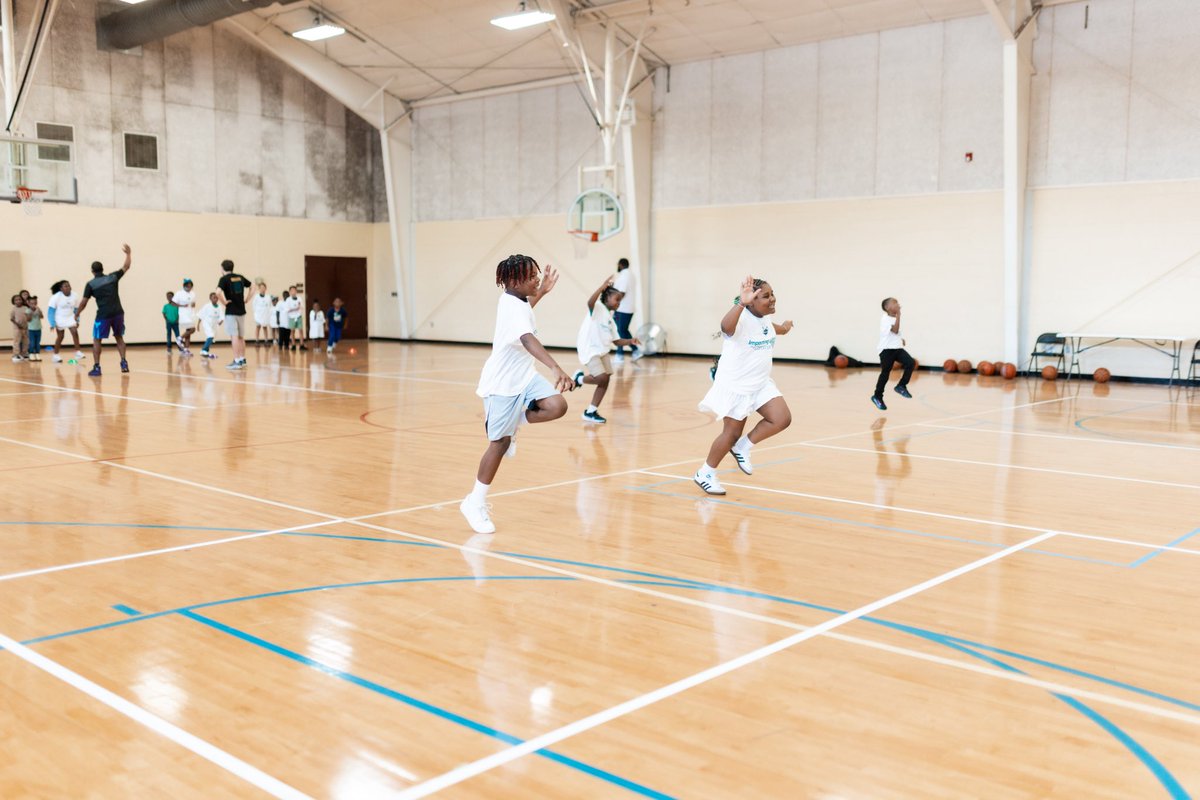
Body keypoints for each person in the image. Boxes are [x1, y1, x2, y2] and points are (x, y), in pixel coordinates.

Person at [460, 255, 574, 534]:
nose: (537, 278)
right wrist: (555, 367)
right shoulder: (511, 306)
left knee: (556, 405)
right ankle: (474, 502)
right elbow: (526, 337)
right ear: (513, 281)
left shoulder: (517, 302)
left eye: (537, 274)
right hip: (502, 384)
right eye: (531, 276)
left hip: (524, 377)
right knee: (498, 445)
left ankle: (515, 422)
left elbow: (524, 319)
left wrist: (542, 292)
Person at [693, 275, 793, 496]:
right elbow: (725, 327)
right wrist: (740, 303)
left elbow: (774, 329)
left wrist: (786, 327)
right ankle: (706, 473)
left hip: (760, 383)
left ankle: (743, 447)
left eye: (772, 293)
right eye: (766, 296)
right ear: (752, 302)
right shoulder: (740, 321)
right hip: (737, 386)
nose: (773, 299)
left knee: (782, 418)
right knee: (730, 433)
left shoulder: (764, 319)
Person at [573, 275, 639, 424]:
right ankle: (579, 379)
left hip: (602, 350)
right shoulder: (597, 308)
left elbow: (616, 341)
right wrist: (602, 287)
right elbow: (590, 301)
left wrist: (630, 341)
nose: (618, 304)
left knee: (606, 378)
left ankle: (591, 411)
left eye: (620, 301)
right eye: (617, 300)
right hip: (590, 349)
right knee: (601, 377)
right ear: (607, 298)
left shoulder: (611, 319)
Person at [75, 243, 133, 376]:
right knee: (119, 337)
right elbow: (126, 266)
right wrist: (128, 254)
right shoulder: (112, 277)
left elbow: (84, 302)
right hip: (118, 313)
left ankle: (97, 367)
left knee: (97, 339)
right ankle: (123, 362)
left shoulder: (90, 284)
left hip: (103, 315)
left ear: (92, 271)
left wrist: (77, 314)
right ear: (102, 269)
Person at [872, 297, 914, 411]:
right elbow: (894, 330)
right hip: (886, 350)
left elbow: (895, 333)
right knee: (885, 373)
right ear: (887, 307)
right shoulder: (885, 319)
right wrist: (899, 316)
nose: (898, 304)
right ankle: (877, 396)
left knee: (910, 363)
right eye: (895, 303)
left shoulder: (894, 318)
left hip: (896, 348)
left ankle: (901, 386)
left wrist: (901, 340)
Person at [216, 259, 251, 370]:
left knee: (234, 336)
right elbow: (253, 286)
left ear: (222, 268)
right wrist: (247, 299)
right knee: (241, 336)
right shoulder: (239, 277)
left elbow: (217, 292)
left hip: (231, 311)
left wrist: (224, 302)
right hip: (241, 310)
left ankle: (236, 361)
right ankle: (242, 359)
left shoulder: (224, 279)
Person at [610, 257, 641, 362]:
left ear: (620, 265)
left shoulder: (624, 276)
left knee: (620, 331)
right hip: (628, 308)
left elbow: (621, 293)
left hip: (623, 308)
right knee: (623, 330)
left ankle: (621, 354)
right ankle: (634, 350)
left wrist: (614, 303)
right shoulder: (631, 275)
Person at [48, 280, 84, 363]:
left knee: (74, 331)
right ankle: (55, 355)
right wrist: (52, 323)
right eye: (65, 286)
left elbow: (76, 309)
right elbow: (51, 311)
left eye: (69, 285)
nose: (68, 287)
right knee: (61, 336)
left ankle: (78, 352)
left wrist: (77, 320)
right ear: (61, 289)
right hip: (59, 318)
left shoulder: (75, 295)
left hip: (70, 317)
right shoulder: (56, 297)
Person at [173, 279, 197, 356]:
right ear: (184, 286)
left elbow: (193, 303)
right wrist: (182, 306)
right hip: (184, 315)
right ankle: (179, 338)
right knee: (193, 329)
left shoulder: (193, 293)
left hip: (191, 314)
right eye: (188, 286)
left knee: (189, 332)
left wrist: (193, 305)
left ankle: (186, 349)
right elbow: (173, 303)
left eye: (190, 286)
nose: (189, 288)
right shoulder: (179, 293)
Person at [197, 292, 224, 359]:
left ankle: (206, 351)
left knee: (212, 338)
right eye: (213, 297)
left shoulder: (219, 307)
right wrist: (198, 324)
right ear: (210, 298)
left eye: (216, 297)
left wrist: (221, 321)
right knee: (210, 335)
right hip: (206, 323)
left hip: (214, 325)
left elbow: (222, 316)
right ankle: (203, 350)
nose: (215, 299)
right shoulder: (207, 306)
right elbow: (201, 314)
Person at [10, 294, 29, 362]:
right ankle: (16, 354)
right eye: (16, 300)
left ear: (22, 300)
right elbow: (12, 319)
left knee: (25, 341)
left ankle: (24, 353)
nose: (18, 301)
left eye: (19, 299)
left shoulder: (25, 308)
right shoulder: (14, 309)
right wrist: (17, 324)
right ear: (14, 302)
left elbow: (28, 316)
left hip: (25, 327)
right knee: (17, 341)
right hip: (17, 328)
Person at [284, 286, 304, 350]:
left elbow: (301, 307)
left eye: (294, 290)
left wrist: (298, 309)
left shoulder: (299, 298)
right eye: (291, 291)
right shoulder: (288, 300)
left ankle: (302, 345)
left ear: (296, 291)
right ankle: (293, 345)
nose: (293, 292)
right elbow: (287, 309)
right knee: (292, 331)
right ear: (290, 292)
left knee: (300, 330)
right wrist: (294, 309)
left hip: (298, 317)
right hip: (292, 317)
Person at [26, 296, 44, 361]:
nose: (34, 305)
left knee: (37, 342)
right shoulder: (28, 310)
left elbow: (42, 317)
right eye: (32, 303)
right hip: (31, 329)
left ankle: (37, 353)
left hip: (38, 328)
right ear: (28, 303)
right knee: (32, 342)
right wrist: (31, 312)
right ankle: (31, 354)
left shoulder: (38, 309)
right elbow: (28, 319)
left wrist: (39, 311)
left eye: (35, 303)